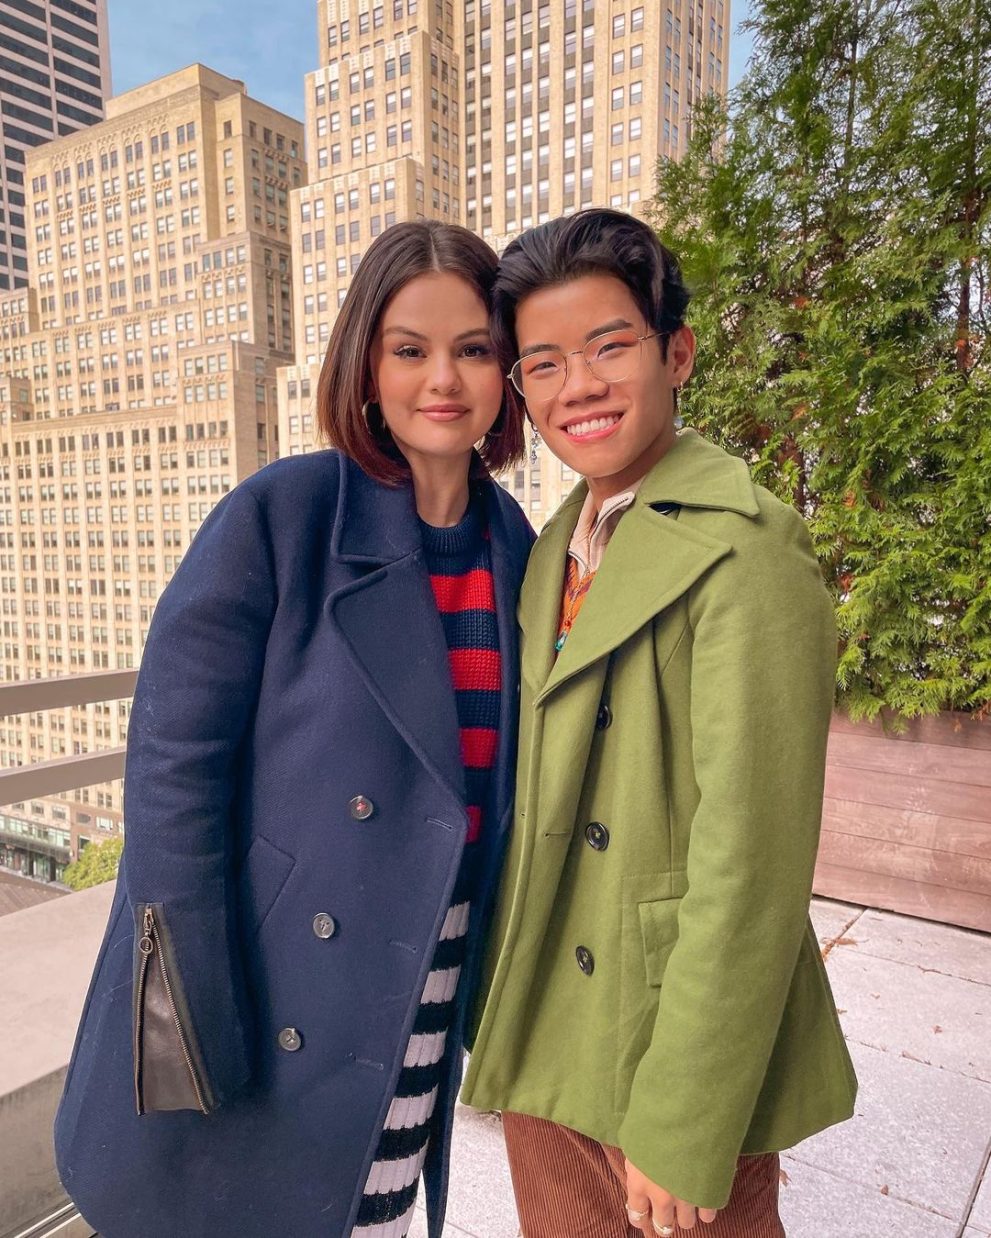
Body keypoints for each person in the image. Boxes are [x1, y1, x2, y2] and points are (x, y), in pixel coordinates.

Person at [53, 220, 532, 1238]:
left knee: (371, 1209)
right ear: (365, 364)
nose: (442, 378)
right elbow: (173, 769)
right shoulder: (284, 512)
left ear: (507, 369)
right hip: (264, 986)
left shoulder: (515, 543)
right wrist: (203, 1011)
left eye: (473, 347)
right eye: (409, 348)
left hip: (423, 967)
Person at [460, 209, 857, 1238]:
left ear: (675, 353)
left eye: (609, 346)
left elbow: (752, 862)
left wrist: (686, 1114)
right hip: (551, 1028)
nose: (578, 387)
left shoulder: (749, 549)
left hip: (659, 1039)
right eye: (544, 364)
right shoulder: (551, 549)